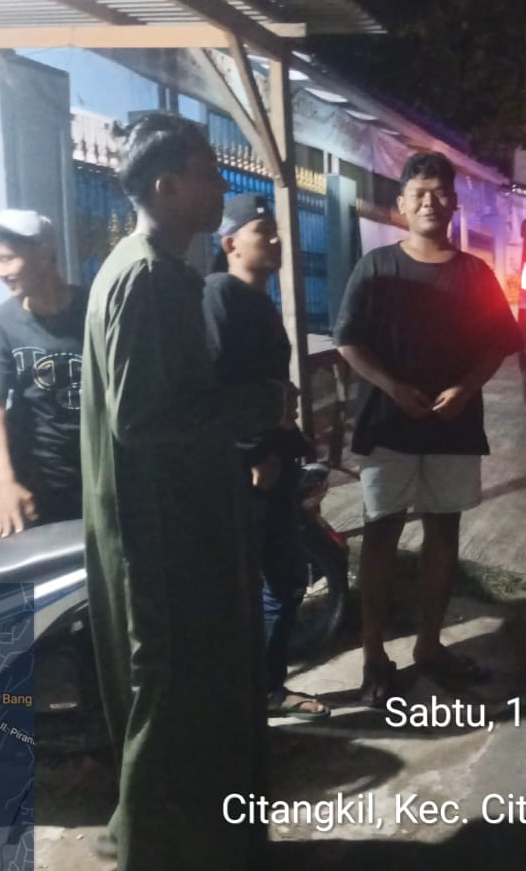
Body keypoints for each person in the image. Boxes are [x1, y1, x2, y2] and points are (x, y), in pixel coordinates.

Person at [80, 113, 289, 871]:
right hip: (160, 532)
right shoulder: (146, 279)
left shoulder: (153, 270)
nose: (222, 185)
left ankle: (185, 840)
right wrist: (258, 405)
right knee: (168, 698)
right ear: (167, 187)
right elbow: (142, 420)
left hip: (173, 523)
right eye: (207, 172)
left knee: (181, 695)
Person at [334, 151, 523, 707]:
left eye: (439, 192)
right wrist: (392, 387)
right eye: (418, 193)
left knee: (444, 533)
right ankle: (374, 656)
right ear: (401, 204)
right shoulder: (376, 267)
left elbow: (500, 343)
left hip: (452, 426)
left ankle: (429, 646)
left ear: (454, 202)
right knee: (381, 536)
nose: (429, 202)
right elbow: (348, 340)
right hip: (387, 425)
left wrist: (464, 389)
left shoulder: (475, 273)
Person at [203, 194, 330, 721]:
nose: (276, 239)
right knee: (269, 582)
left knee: (284, 579)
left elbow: (261, 381)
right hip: (248, 470)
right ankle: (253, 693)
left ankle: (263, 689)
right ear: (231, 242)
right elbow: (214, 387)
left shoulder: (257, 298)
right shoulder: (219, 294)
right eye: (264, 231)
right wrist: (254, 453)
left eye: (277, 230)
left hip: (274, 461)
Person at [0, 209, 85, 538]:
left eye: (7, 260)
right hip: (38, 481)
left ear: (44, 256)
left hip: (100, 474)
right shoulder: (2, 322)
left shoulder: (93, 308)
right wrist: (3, 483)